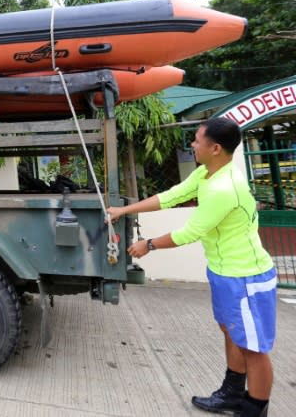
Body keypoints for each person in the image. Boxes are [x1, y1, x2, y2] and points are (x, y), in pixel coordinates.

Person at [107, 117, 275, 417]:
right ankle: (233, 393)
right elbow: (173, 196)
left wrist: (149, 244)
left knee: (253, 347)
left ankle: (254, 409)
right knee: (231, 332)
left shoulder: (226, 187)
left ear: (216, 148)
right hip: (225, 272)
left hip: (246, 276)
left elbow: (190, 232)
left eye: (197, 140)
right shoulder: (207, 174)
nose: (192, 145)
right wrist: (124, 209)